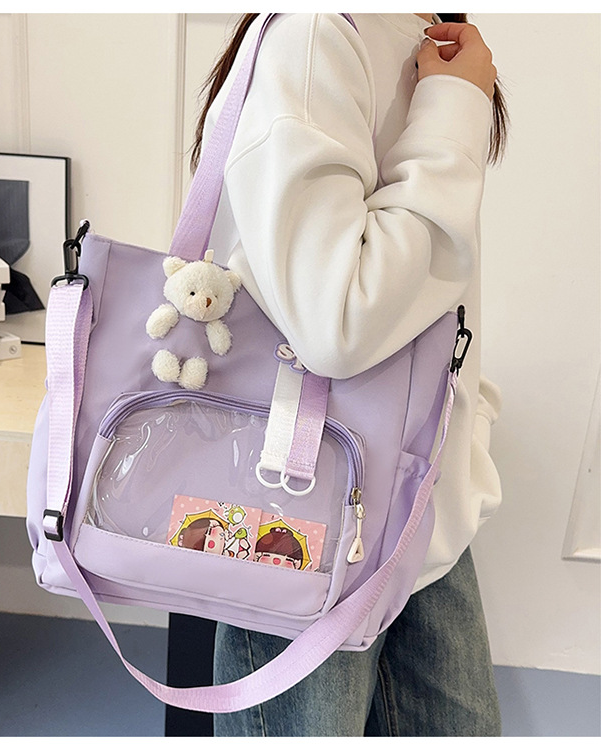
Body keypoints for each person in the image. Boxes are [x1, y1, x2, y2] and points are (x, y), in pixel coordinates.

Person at [188, 13, 507, 737]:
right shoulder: (315, 34)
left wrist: (470, 432)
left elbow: (428, 291)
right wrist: (455, 110)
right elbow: (335, 320)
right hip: (299, 515)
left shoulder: (420, 38)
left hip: (419, 509)